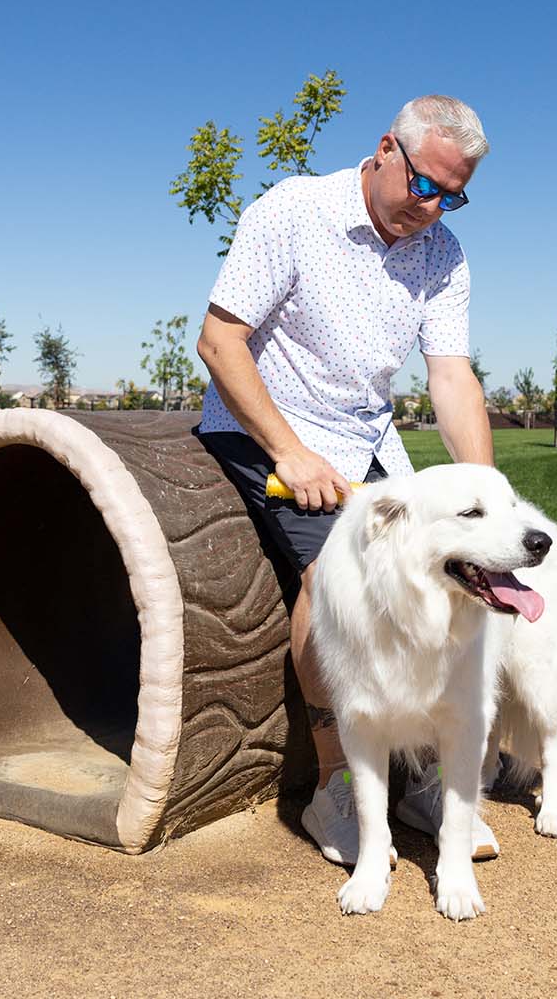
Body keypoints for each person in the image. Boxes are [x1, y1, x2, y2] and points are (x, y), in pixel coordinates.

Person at [193, 94, 498, 866]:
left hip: (367, 441)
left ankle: (419, 772)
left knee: (441, 573)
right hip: (266, 426)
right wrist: (289, 452)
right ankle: (334, 788)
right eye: (424, 185)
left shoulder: (443, 254)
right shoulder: (294, 210)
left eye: (452, 195)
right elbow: (220, 342)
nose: (432, 207)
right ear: (386, 148)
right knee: (337, 577)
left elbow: (451, 377)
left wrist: (486, 499)